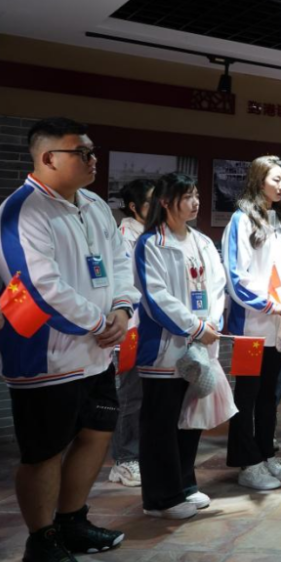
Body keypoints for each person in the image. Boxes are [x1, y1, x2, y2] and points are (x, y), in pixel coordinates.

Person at [0, 118, 139, 562]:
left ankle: (72, 520)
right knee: (44, 451)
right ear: (49, 158)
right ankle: (41, 541)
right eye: (83, 153)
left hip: (97, 349)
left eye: (93, 152)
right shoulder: (21, 211)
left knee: (96, 432)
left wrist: (121, 309)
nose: (94, 160)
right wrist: (100, 323)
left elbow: (119, 262)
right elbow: (39, 287)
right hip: (45, 355)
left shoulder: (94, 204)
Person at [134, 173, 226, 519]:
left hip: (201, 345)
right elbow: (156, 297)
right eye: (187, 196)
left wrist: (212, 321)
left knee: (190, 418)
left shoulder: (202, 241)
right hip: (164, 349)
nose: (195, 202)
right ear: (165, 202)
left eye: (196, 195)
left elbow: (217, 286)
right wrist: (195, 327)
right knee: (161, 423)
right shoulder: (151, 244)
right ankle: (161, 499)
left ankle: (185, 484)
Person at [222, 155, 281, 491]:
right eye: (276, 180)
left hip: (278, 323)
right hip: (250, 326)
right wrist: (267, 303)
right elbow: (235, 275)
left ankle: (267, 454)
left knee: (270, 393)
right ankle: (248, 462)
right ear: (259, 181)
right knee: (247, 395)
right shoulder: (241, 220)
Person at [107, 178, 154, 489]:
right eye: (151, 202)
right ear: (134, 207)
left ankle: (140, 453)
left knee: (149, 394)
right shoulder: (126, 236)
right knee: (131, 394)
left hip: (153, 327)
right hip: (133, 326)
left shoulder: (154, 234)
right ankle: (124, 460)